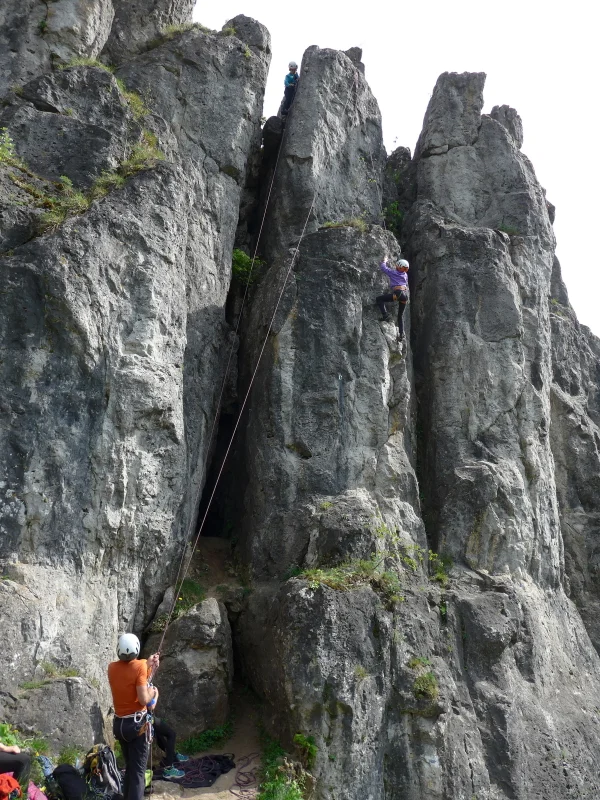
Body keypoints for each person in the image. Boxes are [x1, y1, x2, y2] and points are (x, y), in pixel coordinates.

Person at [107, 634, 183, 800]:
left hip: (120, 726)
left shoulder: (112, 668)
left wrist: (149, 666)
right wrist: (153, 692)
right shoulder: (140, 666)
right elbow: (144, 700)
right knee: (138, 773)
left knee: (130, 768)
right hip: (136, 726)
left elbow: (132, 673)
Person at [375, 256, 410, 340]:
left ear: (399, 266)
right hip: (405, 296)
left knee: (379, 299)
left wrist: (385, 260)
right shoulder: (405, 275)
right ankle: (401, 334)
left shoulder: (394, 273)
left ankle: (385, 315)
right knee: (400, 316)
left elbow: (384, 268)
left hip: (398, 293)